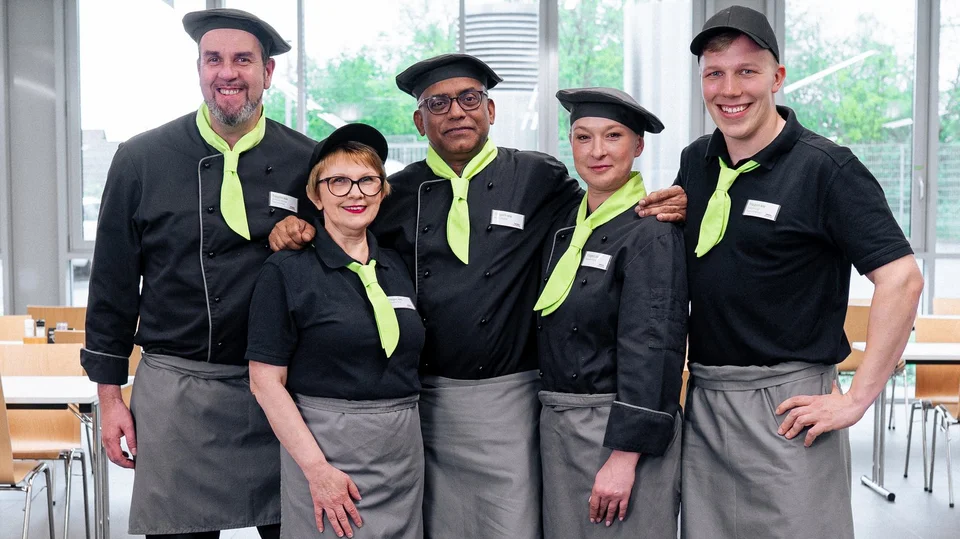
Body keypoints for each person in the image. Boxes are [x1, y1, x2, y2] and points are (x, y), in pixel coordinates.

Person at [268, 54, 687, 539]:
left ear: (491, 110)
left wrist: (669, 200)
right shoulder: (392, 194)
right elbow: (339, 224)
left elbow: (602, 213)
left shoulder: (539, 178)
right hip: (422, 405)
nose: (456, 112)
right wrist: (293, 227)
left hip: (509, 402)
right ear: (419, 122)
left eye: (469, 98)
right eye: (438, 103)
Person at [678, 6, 924, 538]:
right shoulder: (697, 161)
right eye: (714, 73)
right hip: (706, 404)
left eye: (746, 71)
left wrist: (856, 399)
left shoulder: (827, 168)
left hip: (789, 409)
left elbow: (902, 279)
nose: (729, 89)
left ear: (777, 78)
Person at [79, 8, 316, 539]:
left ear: (267, 73)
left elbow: (339, 269)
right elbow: (113, 285)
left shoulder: (307, 161)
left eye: (242, 60)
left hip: (279, 393)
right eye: (214, 59)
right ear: (199, 69)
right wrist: (110, 399)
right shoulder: (141, 159)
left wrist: (310, 240)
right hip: (177, 396)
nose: (227, 73)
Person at [247, 124, 426, 539]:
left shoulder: (397, 267)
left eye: (367, 180)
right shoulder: (287, 270)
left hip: (402, 458)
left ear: (382, 190)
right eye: (339, 181)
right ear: (315, 195)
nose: (355, 193)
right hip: (327, 456)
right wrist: (317, 470)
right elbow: (265, 382)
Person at [535, 87, 686, 539]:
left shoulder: (652, 231)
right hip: (561, 428)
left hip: (619, 431)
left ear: (638, 146)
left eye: (613, 136)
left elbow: (654, 348)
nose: (597, 151)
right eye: (583, 137)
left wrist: (625, 455)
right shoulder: (564, 227)